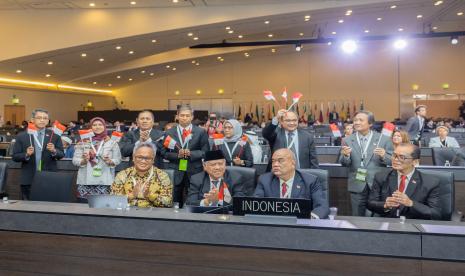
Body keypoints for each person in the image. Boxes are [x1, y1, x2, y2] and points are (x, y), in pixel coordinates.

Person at [338, 110, 393, 216]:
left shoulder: (384, 139)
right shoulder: (347, 140)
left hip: (377, 183)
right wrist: (346, 155)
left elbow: (392, 161)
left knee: (376, 216)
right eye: (355, 120)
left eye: (360, 120)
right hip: (357, 183)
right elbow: (344, 163)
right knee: (357, 215)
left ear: (370, 123)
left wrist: (383, 156)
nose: (357, 122)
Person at [368, 143, 441, 220]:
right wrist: (385, 205)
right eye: (394, 155)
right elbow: (370, 203)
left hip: (414, 225)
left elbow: (435, 214)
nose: (395, 159)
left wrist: (411, 203)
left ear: (415, 162)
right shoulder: (381, 177)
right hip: (388, 224)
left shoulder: (430, 182)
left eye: (402, 157)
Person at [254, 148, 329, 219]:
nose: (275, 164)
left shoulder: (310, 181)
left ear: (293, 163)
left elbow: (322, 207)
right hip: (273, 225)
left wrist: (309, 219)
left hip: (300, 226)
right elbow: (254, 205)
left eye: (280, 160)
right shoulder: (264, 180)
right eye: (273, 161)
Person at [159, 105, 209, 207]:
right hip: (176, 168)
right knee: (175, 199)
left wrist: (191, 153)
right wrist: (177, 155)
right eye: (182, 115)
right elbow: (163, 153)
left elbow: (205, 151)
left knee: (194, 198)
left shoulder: (200, 132)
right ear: (177, 116)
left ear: (192, 117)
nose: (184, 118)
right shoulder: (169, 132)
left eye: (187, 115)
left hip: (194, 170)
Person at [12, 108, 64, 199]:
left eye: (45, 118)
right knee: (28, 208)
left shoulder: (54, 135)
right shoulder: (22, 136)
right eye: (39, 117)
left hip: (49, 177)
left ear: (48, 121)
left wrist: (54, 151)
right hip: (29, 178)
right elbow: (15, 157)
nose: (42, 120)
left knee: (48, 208)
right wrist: (26, 154)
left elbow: (61, 154)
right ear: (32, 120)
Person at [73, 117, 122, 200]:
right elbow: (75, 160)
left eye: (100, 124)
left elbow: (118, 160)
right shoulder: (83, 141)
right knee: (84, 208)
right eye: (94, 125)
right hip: (86, 181)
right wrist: (84, 160)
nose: (97, 127)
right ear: (91, 127)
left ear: (104, 126)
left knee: (103, 208)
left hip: (105, 181)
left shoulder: (112, 142)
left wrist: (109, 161)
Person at [111, 142, 172, 207]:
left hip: (152, 214)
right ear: (133, 158)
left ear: (153, 160)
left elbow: (168, 202)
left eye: (147, 158)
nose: (143, 161)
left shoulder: (162, 176)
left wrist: (149, 196)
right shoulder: (122, 175)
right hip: (127, 214)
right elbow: (113, 200)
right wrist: (132, 195)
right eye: (140, 157)